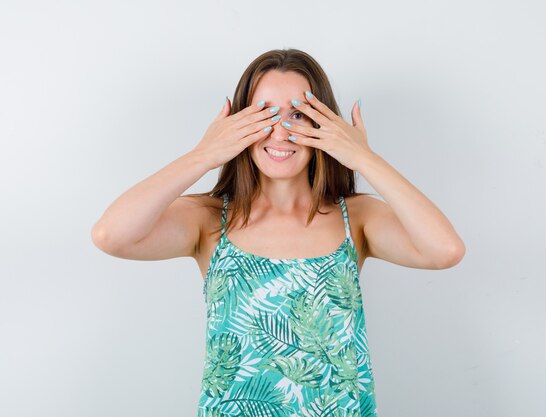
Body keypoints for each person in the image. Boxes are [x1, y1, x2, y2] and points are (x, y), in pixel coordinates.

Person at [91, 48, 465, 416]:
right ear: (237, 123)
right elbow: (111, 235)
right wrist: (204, 154)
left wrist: (362, 157)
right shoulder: (209, 221)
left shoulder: (357, 218)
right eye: (264, 113)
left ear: (325, 124)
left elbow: (445, 250)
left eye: (299, 115)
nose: (281, 132)